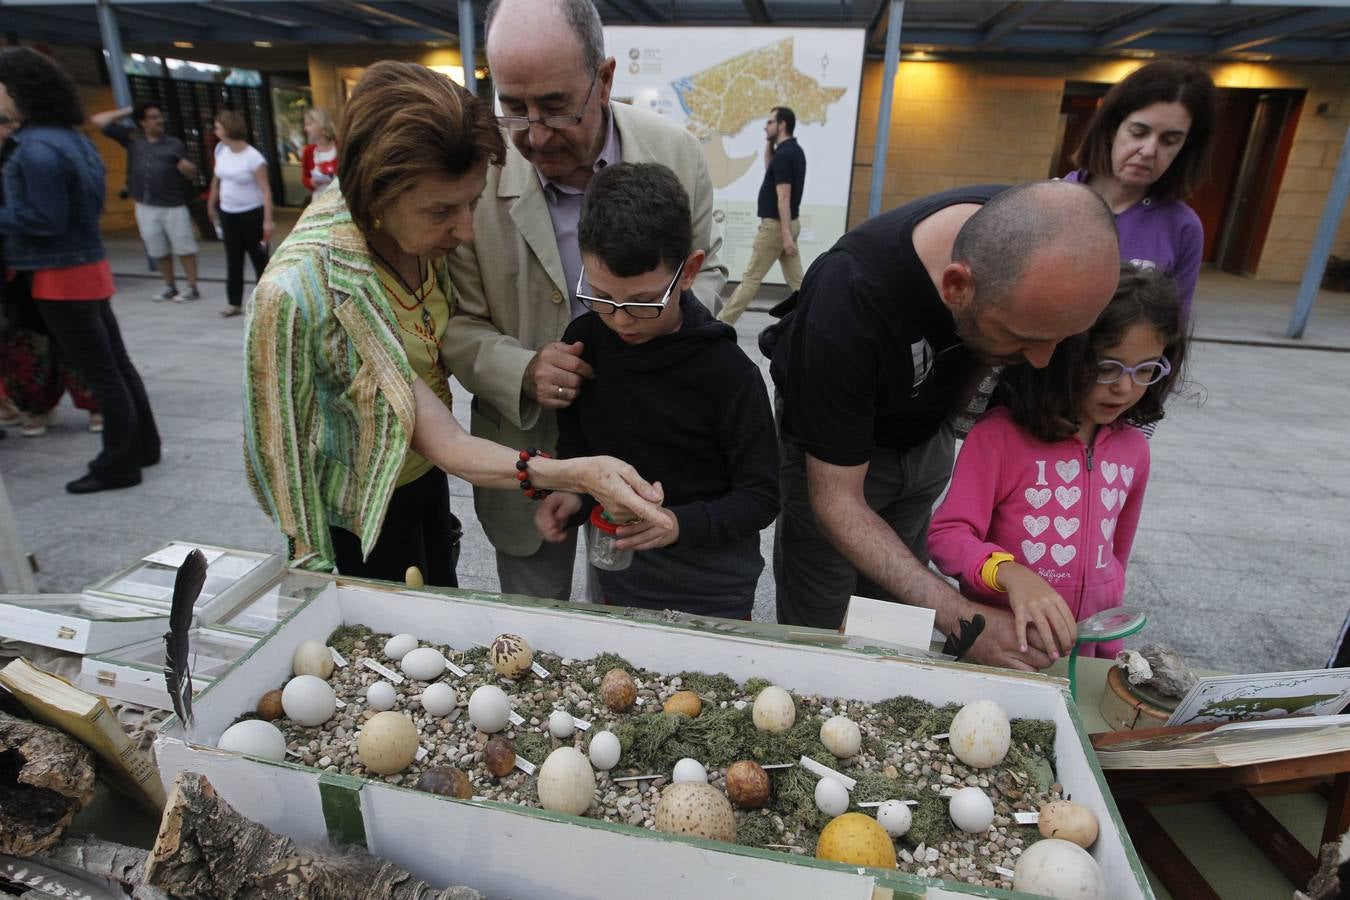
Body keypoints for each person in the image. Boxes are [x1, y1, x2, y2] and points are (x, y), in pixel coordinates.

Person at [244, 61, 663, 586]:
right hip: (359, 521)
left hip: (426, 484)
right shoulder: (300, 289)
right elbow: (280, 465)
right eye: (442, 211)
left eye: (473, 202)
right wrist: (316, 580)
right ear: (375, 194)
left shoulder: (416, 236)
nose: (465, 231)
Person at [761, 180, 1121, 670]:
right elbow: (838, 502)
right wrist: (964, 622)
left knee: (896, 608)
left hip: (924, 429)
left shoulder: (1029, 233)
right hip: (834, 454)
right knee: (821, 621)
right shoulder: (850, 300)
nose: (1042, 360)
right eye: (1023, 337)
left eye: (1063, 338)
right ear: (956, 286)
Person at [443, 0, 727, 603]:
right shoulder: (477, 174)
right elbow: (456, 321)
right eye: (513, 107)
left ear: (604, 79)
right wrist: (523, 369)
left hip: (648, 444)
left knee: (625, 619)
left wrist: (660, 337)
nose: (534, 134)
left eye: (555, 106)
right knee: (531, 620)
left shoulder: (676, 153)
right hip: (527, 448)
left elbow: (708, 275)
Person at [534, 163, 778, 619]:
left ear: (689, 271)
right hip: (621, 577)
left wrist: (678, 523)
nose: (621, 319)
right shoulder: (584, 343)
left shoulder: (728, 372)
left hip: (714, 589)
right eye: (602, 296)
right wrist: (573, 495)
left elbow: (761, 496)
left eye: (644, 302)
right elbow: (579, 449)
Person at [927, 265, 1188, 663]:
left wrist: (1109, 645)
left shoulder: (1134, 449)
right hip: (1007, 649)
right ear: (1061, 353)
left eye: (1146, 370)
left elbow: (1115, 560)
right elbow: (947, 535)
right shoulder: (999, 438)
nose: (1124, 387)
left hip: (1088, 653)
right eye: (1107, 367)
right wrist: (1010, 573)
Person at [0, 47, 160, 494]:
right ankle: (143, 447)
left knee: (103, 371)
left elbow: (44, 219)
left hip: (61, 274)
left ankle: (119, 463)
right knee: (116, 365)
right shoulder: (69, 138)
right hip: (83, 265)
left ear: (17, 90)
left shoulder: (36, 146)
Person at [1066, 60, 1217, 317]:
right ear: (1112, 128)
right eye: (1138, 132)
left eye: (1169, 140)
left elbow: (1172, 328)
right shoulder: (1048, 202)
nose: (1148, 151)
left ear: (1185, 148)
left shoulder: (1182, 227)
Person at [91, 100, 202, 302]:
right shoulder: (133, 138)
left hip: (173, 204)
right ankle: (170, 286)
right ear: (142, 122)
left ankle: (192, 287)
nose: (159, 120)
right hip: (145, 204)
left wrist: (188, 169)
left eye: (159, 116)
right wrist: (129, 110)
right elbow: (98, 120)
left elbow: (191, 173)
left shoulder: (174, 143)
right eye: (152, 117)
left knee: (184, 247)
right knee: (157, 248)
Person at [717, 106, 806, 326]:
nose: (765, 127)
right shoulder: (793, 151)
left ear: (782, 125)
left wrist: (785, 234)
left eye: (770, 122)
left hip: (777, 226)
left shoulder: (784, 155)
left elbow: (783, 197)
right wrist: (769, 141)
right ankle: (818, 319)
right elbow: (769, 167)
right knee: (800, 284)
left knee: (751, 279)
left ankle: (721, 324)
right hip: (786, 225)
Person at [208, 109, 272, 318]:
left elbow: (265, 189)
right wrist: (211, 202)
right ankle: (233, 302)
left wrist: (267, 220)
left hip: (251, 213)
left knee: (258, 258)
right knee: (233, 257)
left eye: (218, 127)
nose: (215, 131)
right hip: (229, 212)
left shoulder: (253, 157)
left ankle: (265, 302)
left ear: (228, 129)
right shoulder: (220, 150)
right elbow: (217, 179)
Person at [300, 108, 338, 199]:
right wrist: (312, 182)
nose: (305, 129)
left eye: (308, 124)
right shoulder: (308, 151)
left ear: (321, 125)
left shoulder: (341, 147)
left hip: (341, 201)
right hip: (319, 201)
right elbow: (305, 179)